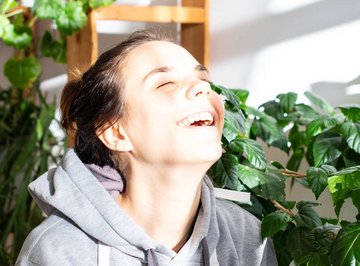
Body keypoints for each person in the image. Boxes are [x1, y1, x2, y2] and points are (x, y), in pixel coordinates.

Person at [15, 30, 277, 265]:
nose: (202, 88)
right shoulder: (60, 252)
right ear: (114, 132)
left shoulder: (248, 237)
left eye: (203, 79)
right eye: (165, 83)